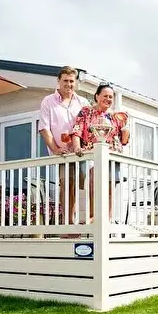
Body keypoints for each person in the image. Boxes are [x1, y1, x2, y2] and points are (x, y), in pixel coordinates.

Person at [38, 66, 90, 233]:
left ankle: (88, 222)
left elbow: (89, 126)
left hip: (81, 152)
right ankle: (68, 224)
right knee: (66, 184)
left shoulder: (83, 102)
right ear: (58, 81)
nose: (69, 84)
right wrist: (55, 149)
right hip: (63, 154)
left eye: (72, 81)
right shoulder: (48, 101)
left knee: (84, 185)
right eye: (65, 81)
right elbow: (44, 128)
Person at [70, 83, 129, 223]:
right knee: (93, 179)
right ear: (97, 96)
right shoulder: (86, 112)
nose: (108, 99)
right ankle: (94, 216)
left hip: (111, 155)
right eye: (105, 96)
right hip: (90, 153)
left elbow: (124, 141)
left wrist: (126, 129)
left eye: (111, 97)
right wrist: (77, 148)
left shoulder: (115, 116)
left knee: (108, 186)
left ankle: (106, 218)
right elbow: (77, 131)